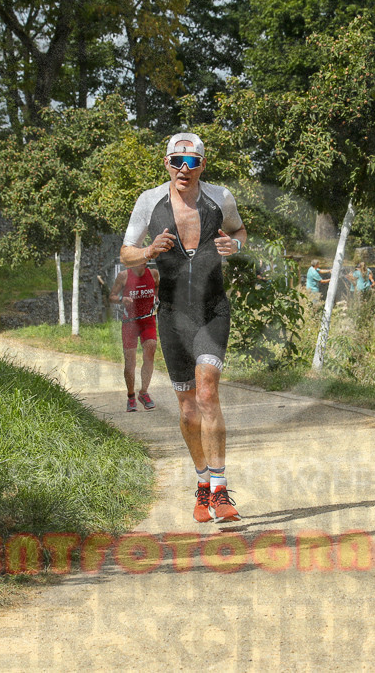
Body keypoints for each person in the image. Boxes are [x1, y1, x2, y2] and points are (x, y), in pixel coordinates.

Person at [120, 132, 247, 523]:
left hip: (212, 309)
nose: (184, 169)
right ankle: (202, 484)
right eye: (177, 161)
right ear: (166, 163)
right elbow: (126, 253)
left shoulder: (220, 198)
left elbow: (240, 232)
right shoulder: (148, 202)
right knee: (188, 405)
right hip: (172, 313)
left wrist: (235, 247)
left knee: (207, 392)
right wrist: (149, 251)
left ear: (202, 165)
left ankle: (222, 491)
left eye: (192, 162)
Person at [109, 264, 160, 412]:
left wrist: (156, 297)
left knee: (150, 350)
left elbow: (157, 287)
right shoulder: (124, 276)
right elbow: (111, 296)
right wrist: (121, 299)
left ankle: (143, 392)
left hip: (148, 320)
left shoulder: (154, 274)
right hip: (130, 323)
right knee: (130, 361)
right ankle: (131, 396)